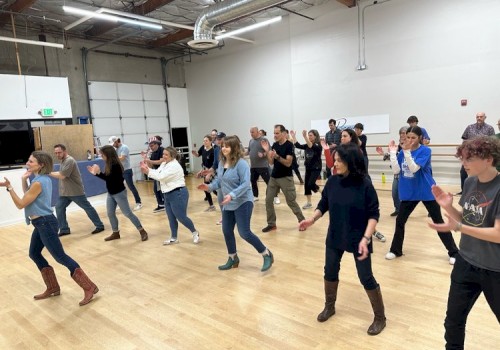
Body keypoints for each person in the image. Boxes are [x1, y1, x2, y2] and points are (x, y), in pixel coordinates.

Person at [298, 143, 386, 335]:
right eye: (334, 159)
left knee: (365, 276)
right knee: (330, 270)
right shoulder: (332, 181)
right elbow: (324, 203)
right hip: (336, 234)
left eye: (339, 160)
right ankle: (330, 306)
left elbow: (374, 214)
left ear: (351, 161)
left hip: (359, 237)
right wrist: (311, 219)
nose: (334, 163)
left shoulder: (365, 183)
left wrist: (366, 238)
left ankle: (380, 317)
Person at [428, 136, 499, 349]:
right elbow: (467, 219)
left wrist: (459, 228)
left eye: (469, 158)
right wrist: (448, 208)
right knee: (453, 321)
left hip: (495, 269)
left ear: (489, 159)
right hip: (465, 262)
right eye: (462, 158)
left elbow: (497, 233)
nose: (464, 163)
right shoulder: (469, 182)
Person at [0, 151, 98, 306]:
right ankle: (52, 287)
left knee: (60, 257)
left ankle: (89, 287)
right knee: (34, 253)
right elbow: (29, 196)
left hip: (45, 223)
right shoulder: (40, 179)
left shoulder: (39, 182)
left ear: (41, 165)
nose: (28, 163)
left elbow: (21, 204)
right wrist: (23, 180)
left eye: (31, 161)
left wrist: (9, 187)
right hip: (41, 223)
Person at [197, 136, 274, 271]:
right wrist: (208, 187)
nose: (224, 148)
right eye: (222, 146)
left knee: (244, 232)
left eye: (227, 146)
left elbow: (245, 184)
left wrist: (232, 195)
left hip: (243, 201)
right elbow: (220, 182)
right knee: (226, 230)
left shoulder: (241, 164)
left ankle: (266, 254)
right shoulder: (221, 163)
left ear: (234, 148)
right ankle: (233, 258)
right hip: (228, 202)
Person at [385, 126, 459, 264]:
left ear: (419, 138)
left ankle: (454, 252)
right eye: (408, 137)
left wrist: (406, 152)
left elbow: (413, 168)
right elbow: (396, 170)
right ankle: (396, 250)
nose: (410, 140)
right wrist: (393, 153)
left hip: (426, 191)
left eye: (413, 138)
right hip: (409, 192)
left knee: (438, 222)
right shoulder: (403, 152)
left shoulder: (425, 150)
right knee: (400, 221)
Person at [87, 145, 148, 242]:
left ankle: (142, 231)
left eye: (102, 154)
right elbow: (108, 179)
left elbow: (111, 180)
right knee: (110, 213)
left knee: (127, 213)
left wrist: (98, 173)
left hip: (119, 193)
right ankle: (115, 233)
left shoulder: (115, 165)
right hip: (111, 193)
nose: (101, 156)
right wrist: (96, 173)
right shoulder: (109, 163)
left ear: (107, 154)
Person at [141, 147, 200, 245]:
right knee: (171, 217)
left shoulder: (174, 166)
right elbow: (157, 172)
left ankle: (195, 232)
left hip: (178, 193)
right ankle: (174, 238)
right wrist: (148, 169)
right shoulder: (164, 164)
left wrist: (147, 172)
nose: (163, 156)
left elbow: (161, 177)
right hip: (167, 194)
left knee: (181, 217)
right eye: (163, 154)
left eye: (166, 155)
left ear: (172, 156)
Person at [50, 144, 105, 236]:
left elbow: (62, 176)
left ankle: (100, 225)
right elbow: (60, 173)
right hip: (65, 193)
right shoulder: (63, 161)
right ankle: (64, 229)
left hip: (75, 192)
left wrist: (48, 173)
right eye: (56, 153)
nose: (57, 154)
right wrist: (49, 172)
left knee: (87, 208)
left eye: (59, 152)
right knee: (59, 207)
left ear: (65, 151)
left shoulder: (69, 161)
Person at [261, 124, 306, 232]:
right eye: (274, 133)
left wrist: (277, 156)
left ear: (283, 133)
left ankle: (302, 221)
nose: (275, 135)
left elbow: (288, 163)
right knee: (268, 200)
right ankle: (271, 224)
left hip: (285, 178)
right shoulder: (275, 145)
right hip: (274, 177)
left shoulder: (289, 145)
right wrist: (268, 151)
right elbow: (271, 163)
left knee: (291, 201)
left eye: (277, 133)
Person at [458, 112, 495, 193]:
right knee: (463, 171)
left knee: (480, 172)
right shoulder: (469, 127)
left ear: (485, 117)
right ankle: (464, 190)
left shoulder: (490, 128)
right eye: (477, 117)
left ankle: (481, 190)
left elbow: (492, 142)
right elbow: (464, 140)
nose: (479, 118)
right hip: (469, 154)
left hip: (482, 155)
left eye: (481, 117)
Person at [376, 126, 408, 217]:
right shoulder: (397, 147)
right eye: (401, 133)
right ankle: (398, 209)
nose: (402, 135)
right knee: (395, 194)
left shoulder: (410, 146)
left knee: (407, 195)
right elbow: (393, 157)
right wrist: (383, 153)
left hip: (406, 174)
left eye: (404, 133)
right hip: (397, 174)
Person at [290, 129, 322, 209]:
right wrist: (293, 137)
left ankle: (324, 193)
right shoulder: (307, 145)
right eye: (308, 135)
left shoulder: (318, 145)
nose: (309, 136)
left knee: (311, 184)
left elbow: (311, 146)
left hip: (316, 168)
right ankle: (309, 203)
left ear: (315, 136)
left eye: (311, 135)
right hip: (308, 168)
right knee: (307, 186)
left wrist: (304, 137)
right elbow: (298, 145)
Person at [109, 136, 142, 211]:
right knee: (118, 187)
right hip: (119, 171)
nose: (113, 145)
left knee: (131, 187)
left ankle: (138, 202)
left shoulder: (124, 147)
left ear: (117, 141)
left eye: (113, 143)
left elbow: (122, 158)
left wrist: (112, 158)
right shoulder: (116, 149)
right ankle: (119, 204)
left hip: (127, 170)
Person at [192, 135, 216, 212]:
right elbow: (198, 155)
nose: (204, 142)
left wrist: (210, 173)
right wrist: (195, 154)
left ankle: (225, 199)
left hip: (213, 171)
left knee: (215, 188)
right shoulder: (203, 147)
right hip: (205, 170)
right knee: (206, 188)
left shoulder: (213, 150)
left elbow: (215, 164)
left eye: (206, 141)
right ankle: (211, 206)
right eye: (204, 140)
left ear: (210, 141)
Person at [246, 127, 271, 201]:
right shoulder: (251, 141)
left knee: (269, 182)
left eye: (252, 132)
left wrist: (263, 154)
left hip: (263, 166)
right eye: (250, 132)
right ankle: (255, 196)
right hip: (253, 166)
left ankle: (274, 196)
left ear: (257, 132)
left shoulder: (264, 140)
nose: (251, 134)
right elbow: (248, 151)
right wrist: (241, 154)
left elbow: (269, 151)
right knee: (253, 181)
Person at [143, 136, 165, 213]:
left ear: (157, 144)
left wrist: (149, 160)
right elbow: (151, 166)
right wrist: (146, 160)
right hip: (157, 173)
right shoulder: (152, 153)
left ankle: (166, 204)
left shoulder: (162, 150)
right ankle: (161, 205)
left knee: (163, 190)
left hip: (164, 173)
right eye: (150, 146)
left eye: (152, 145)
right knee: (156, 190)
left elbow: (161, 161)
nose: (150, 147)